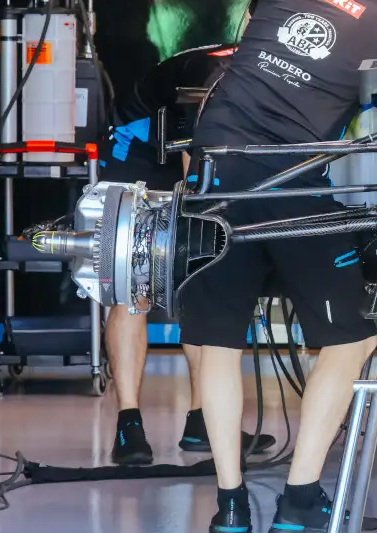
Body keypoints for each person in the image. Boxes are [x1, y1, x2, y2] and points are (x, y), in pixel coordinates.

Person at [179, 0, 377, 533]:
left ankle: (230, 506)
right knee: (351, 339)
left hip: (217, 170)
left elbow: (257, 40)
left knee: (218, 342)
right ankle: (299, 500)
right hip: (293, 185)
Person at [99, 46, 275, 465]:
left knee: (201, 284)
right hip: (136, 156)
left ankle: (202, 420)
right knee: (134, 287)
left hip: (192, 152)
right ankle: (128, 425)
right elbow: (194, 171)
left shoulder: (272, 76)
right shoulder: (214, 73)